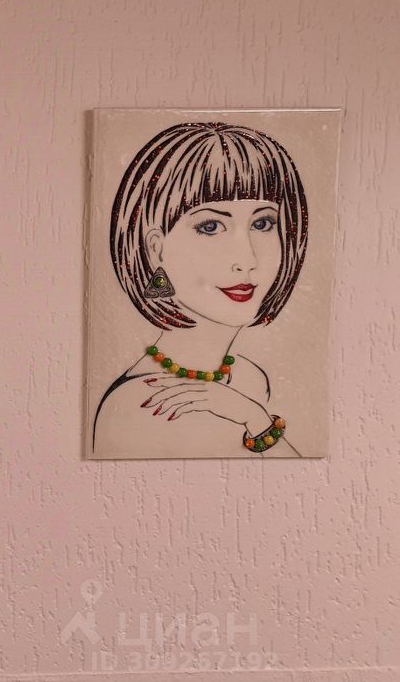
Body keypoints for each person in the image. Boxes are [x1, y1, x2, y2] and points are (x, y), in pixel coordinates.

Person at [91, 122, 308, 457]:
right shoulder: (142, 403)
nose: (247, 260)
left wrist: (252, 415)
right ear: (155, 248)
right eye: (210, 226)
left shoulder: (249, 378)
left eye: (262, 223)